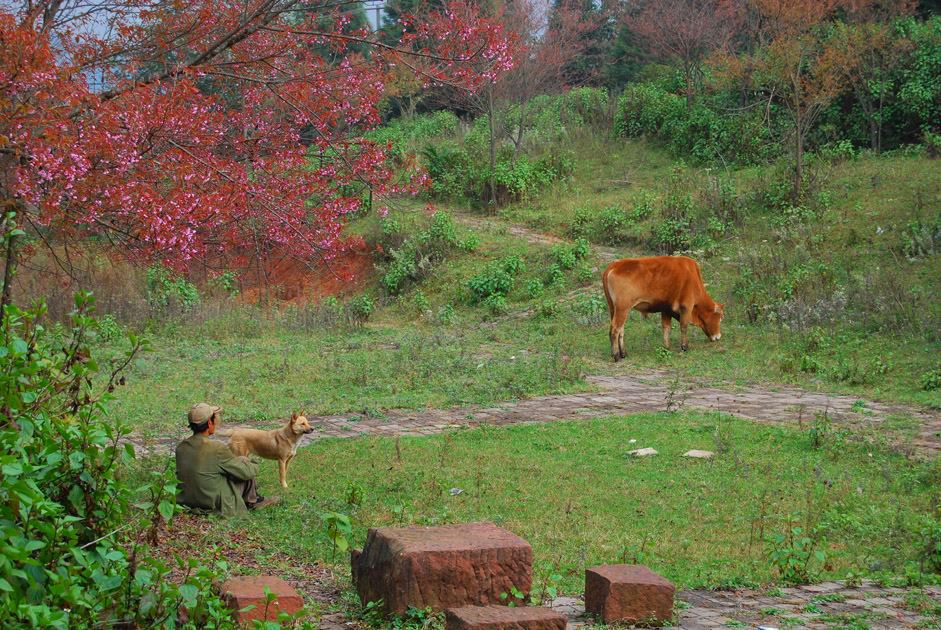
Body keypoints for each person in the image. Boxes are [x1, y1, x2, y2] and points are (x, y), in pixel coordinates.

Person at [175, 403, 278, 515]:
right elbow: (245, 473)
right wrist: (253, 462)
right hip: (212, 502)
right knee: (243, 462)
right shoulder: (216, 448)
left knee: (233, 465)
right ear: (210, 422)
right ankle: (253, 501)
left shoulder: (181, 447)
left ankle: (252, 499)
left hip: (186, 501)